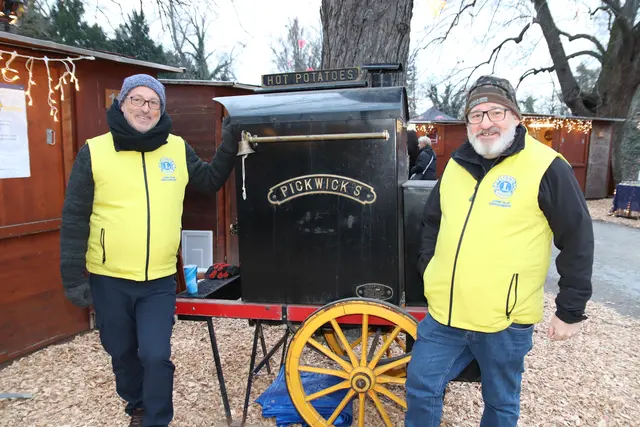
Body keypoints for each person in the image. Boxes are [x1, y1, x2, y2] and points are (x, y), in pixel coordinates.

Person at [405, 75, 594, 427]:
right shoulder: (457, 165)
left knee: (501, 403)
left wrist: (570, 310)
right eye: (476, 115)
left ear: (516, 117)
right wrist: (429, 268)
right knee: (420, 387)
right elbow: (432, 221)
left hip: (504, 322)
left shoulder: (547, 167)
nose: (486, 122)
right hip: (445, 315)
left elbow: (578, 237)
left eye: (496, 112)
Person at [59, 74, 238, 427]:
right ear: (122, 104)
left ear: (161, 109)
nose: (145, 108)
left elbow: (209, 180)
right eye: (137, 100)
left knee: (156, 355)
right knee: (122, 352)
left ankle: (156, 420)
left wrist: (230, 142)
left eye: (153, 102)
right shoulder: (94, 152)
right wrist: (73, 277)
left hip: (157, 279)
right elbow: (75, 217)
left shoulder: (176, 148)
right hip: (109, 278)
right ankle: (137, 405)